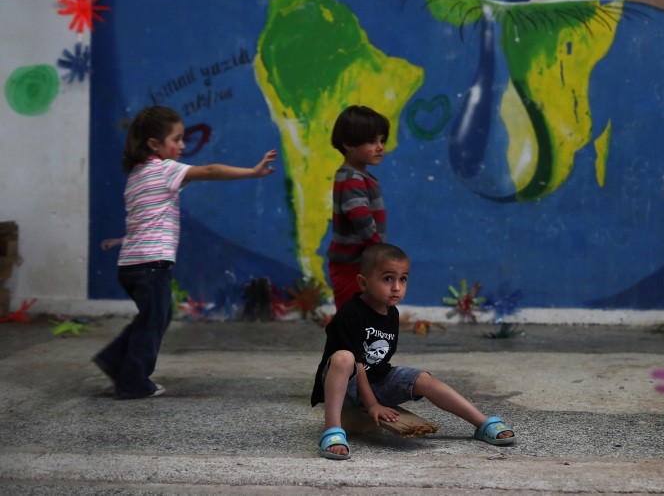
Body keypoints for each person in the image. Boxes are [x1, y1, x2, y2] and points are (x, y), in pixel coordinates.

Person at [94, 105, 278, 399]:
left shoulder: (138, 175)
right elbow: (211, 170)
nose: (182, 145)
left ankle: (116, 361)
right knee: (155, 319)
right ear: (154, 144)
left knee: (152, 316)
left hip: (131, 264)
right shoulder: (164, 170)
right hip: (150, 264)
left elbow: (175, 189)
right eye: (176, 139)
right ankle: (133, 382)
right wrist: (253, 172)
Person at [311, 242, 515, 459]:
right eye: (387, 278)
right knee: (345, 357)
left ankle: (482, 423)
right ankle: (331, 430)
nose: (396, 287)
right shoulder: (350, 313)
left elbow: (379, 364)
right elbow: (359, 364)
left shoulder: (392, 314)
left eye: (403, 279)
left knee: (424, 379)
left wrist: (383, 394)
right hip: (345, 385)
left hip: (375, 381)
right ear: (363, 282)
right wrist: (372, 405)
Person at [328, 105, 390, 310]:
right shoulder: (352, 178)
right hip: (351, 265)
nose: (380, 147)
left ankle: (359, 342)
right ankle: (346, 343)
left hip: (361, 263)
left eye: (382, 140)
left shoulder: (358, 176)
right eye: (372, 141)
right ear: (348, 144)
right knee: (352, 316)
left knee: (363, 316)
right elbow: (361, 217)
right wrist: (378, 249)